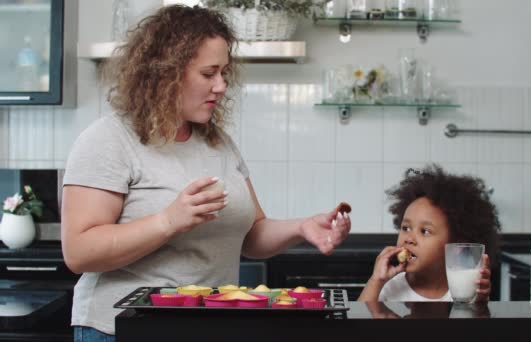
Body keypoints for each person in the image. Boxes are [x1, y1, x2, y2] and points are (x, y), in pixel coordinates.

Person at [61, 5, 351, 340]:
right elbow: (79, 252)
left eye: (224, 73)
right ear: (165, 73)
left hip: (206, 327)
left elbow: (252, 235)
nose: (221, 86)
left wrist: (302, 227)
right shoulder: (109, 140)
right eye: (209, 73)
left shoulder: (217, 142)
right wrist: (168, 221)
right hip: (122, 329)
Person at [358, 165, 500, 302]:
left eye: (425, 231)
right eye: (406, 228)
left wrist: (479, 300)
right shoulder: (389, 287)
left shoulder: (462, 290)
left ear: (456, 246)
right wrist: (375, 280)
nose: (409, 239)